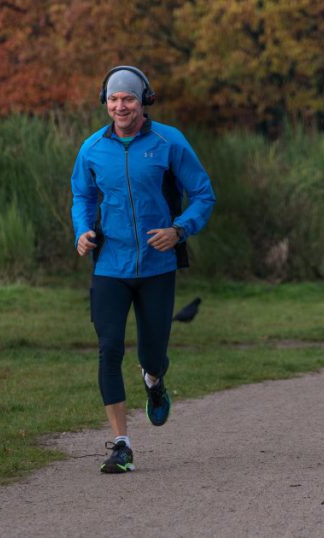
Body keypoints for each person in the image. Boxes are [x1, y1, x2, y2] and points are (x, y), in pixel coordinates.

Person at [70, 66, 215, 473]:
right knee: (109, 348)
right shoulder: (93, 148)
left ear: (143, 101)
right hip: (111, 266)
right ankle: (121, 443)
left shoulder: (170, 142)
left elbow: (203, 194)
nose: (121, 106)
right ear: (105, 101)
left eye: (128, 99)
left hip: (156, 266)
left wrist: (179, 229)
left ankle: (154, 380)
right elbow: (81, 195)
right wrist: (82, 230)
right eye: (114, 99)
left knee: (153, 353)